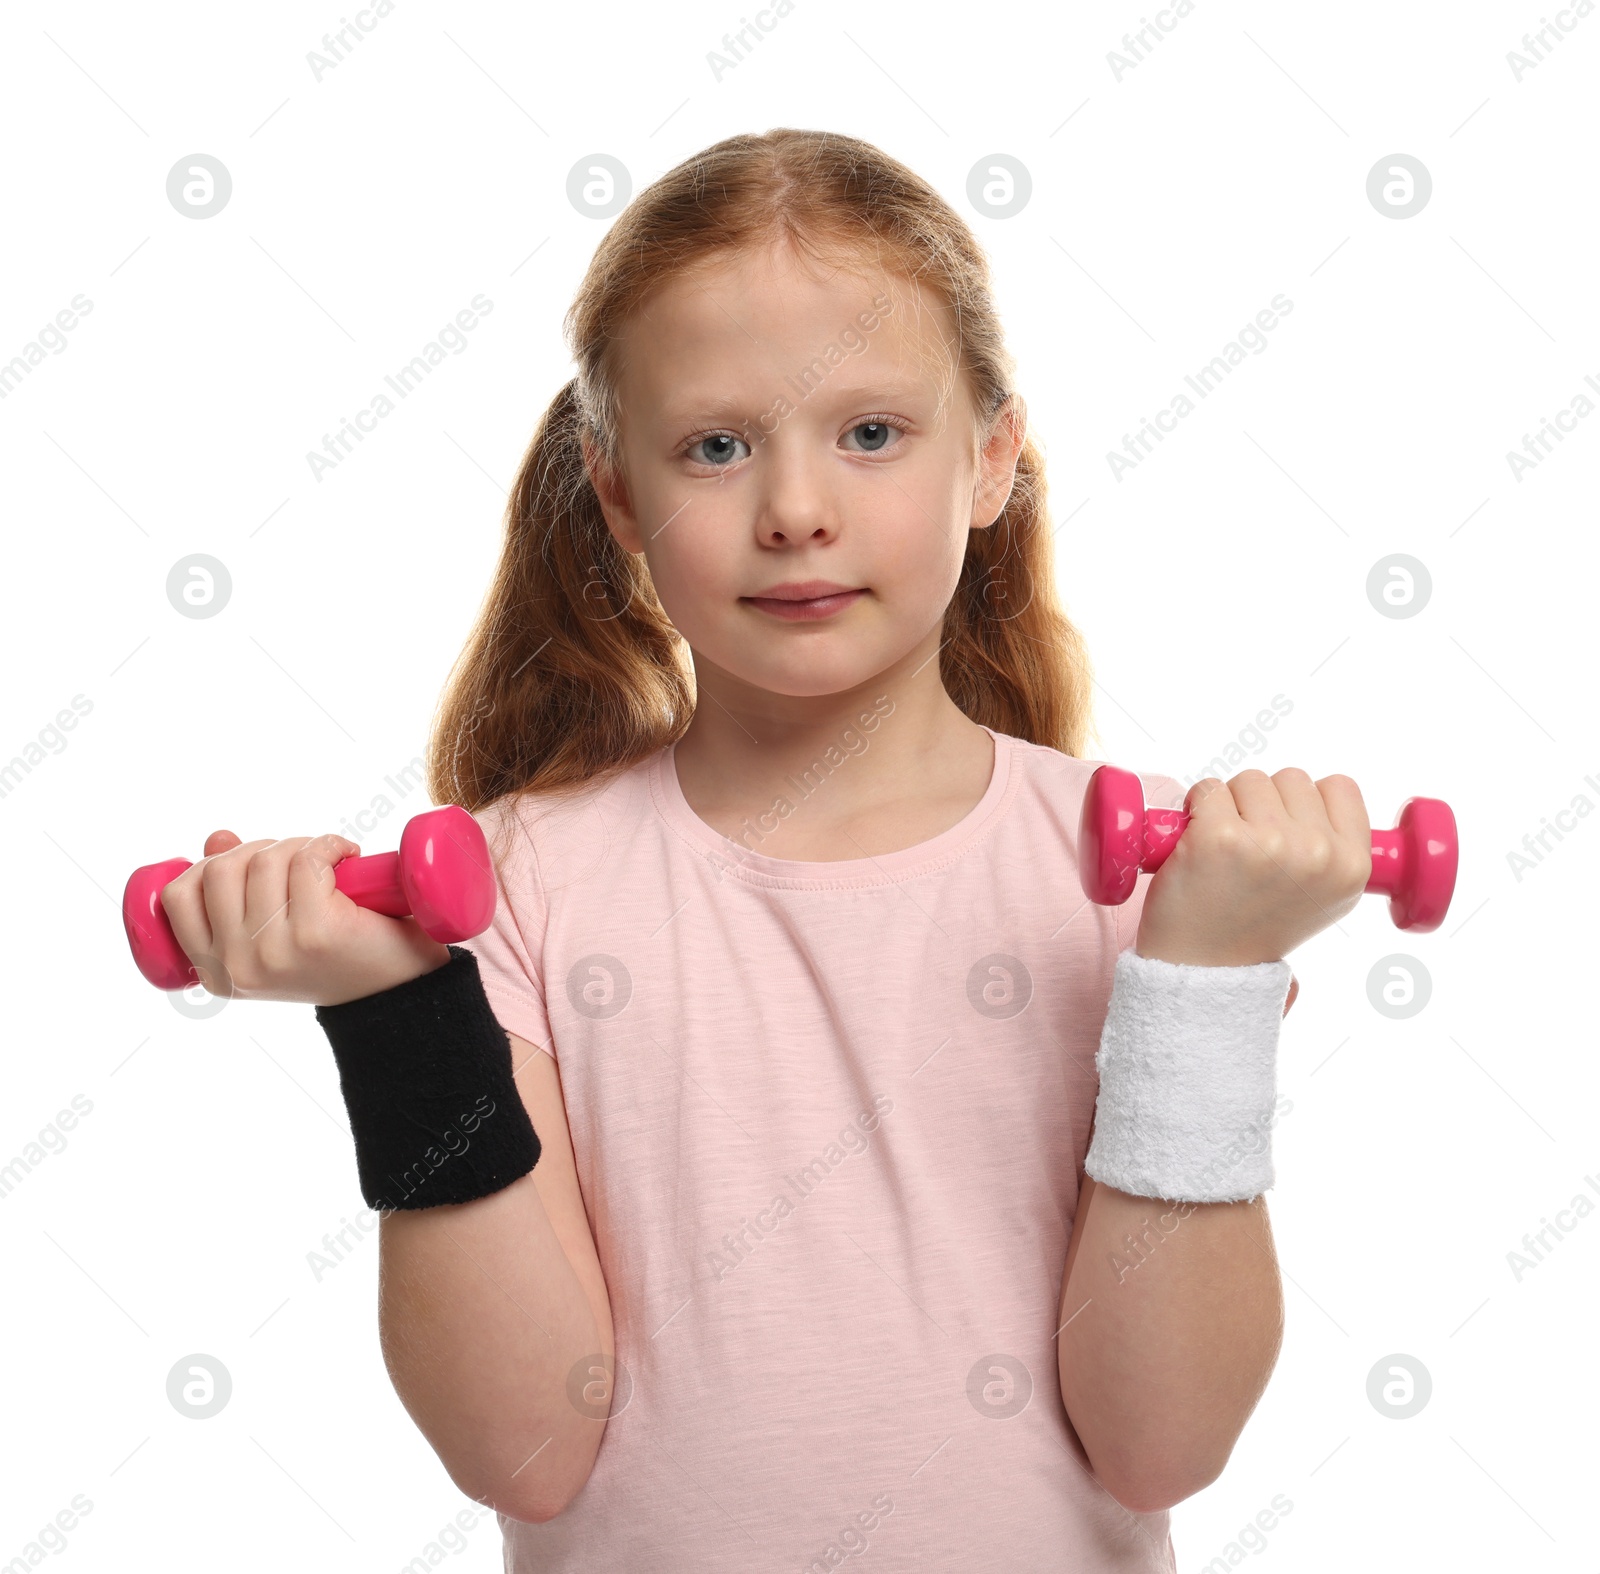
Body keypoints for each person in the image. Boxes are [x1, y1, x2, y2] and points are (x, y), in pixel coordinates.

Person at [160, 127, 1370, 1572]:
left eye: (871, 433)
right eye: (718, 445)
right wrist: (395, 1012)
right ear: (618, 498)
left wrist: (1209, 979)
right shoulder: (517, 889)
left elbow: (1163, 1440)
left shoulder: (1156, 889)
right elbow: (523, 1447)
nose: (796, 507)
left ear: (990, 459)